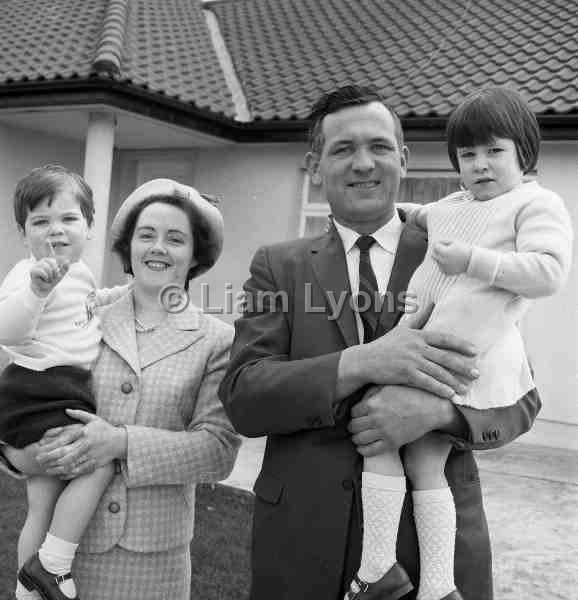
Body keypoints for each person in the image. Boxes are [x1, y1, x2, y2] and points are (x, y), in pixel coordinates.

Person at [218, 85, 542, 600]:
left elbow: (520, 402)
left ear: (404, 158)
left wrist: (440, 416)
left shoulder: (465, 253)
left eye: (380, 147)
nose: (364, 163)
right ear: (315, 165)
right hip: (304, 546)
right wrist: (364, 360)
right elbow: (245, 397)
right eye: (343, 149)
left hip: (434, 555)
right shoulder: (278, 266)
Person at [348, 86, 572, 600]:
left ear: (525, 153)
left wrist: (472, 260)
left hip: (466, 355)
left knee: (382, 437)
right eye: (467, 155)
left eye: (495, 151)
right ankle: (435, 586)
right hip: (421, 341)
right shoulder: (455, 204)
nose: (480, 165)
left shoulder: (535, 203)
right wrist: (388, 207)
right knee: (413, 457)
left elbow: (549, 272)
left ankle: (383, 571)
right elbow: (417, 214)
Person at [2, 178, 240, 600]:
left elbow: (218, 450)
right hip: (70, 559)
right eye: (145, 235)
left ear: (196, 254)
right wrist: (16, 454)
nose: (157, 248)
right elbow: (27, 386)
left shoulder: (217, 340)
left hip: (153, 566)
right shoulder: (83, 311)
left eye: (175, 238)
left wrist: (121, 443)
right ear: (127, 245)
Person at [0, 165, 129, 600]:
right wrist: (35, 292)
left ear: (89, 227)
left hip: (54, 400)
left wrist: (116, 297)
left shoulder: (82, 275)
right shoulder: (28, 273)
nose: (55, 230)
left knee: (42, 505)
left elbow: (87, 308)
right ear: (24, 233)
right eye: (40, 221)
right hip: (36, 399)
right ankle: (53, 564)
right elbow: (7, 330)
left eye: (68, 219)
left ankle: (27, 593)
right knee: (99, 461)